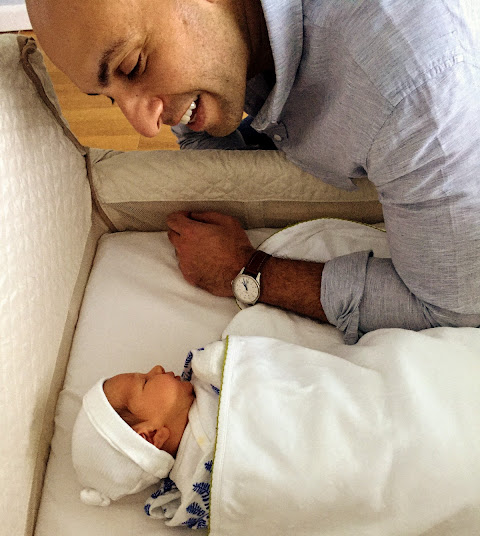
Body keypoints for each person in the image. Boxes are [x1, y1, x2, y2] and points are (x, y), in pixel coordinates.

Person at [26, 0, 480, 344]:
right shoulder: (218, 35)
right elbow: (205, 125)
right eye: (111, 98)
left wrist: (246, 271)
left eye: (132, 66)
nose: (143, 127)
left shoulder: (419, 90)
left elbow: (454, 308)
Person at [71, 344, 224, 529]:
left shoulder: (206, 378)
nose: (157, 369)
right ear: (149, 436)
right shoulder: (192, 487)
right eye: (146, 382)